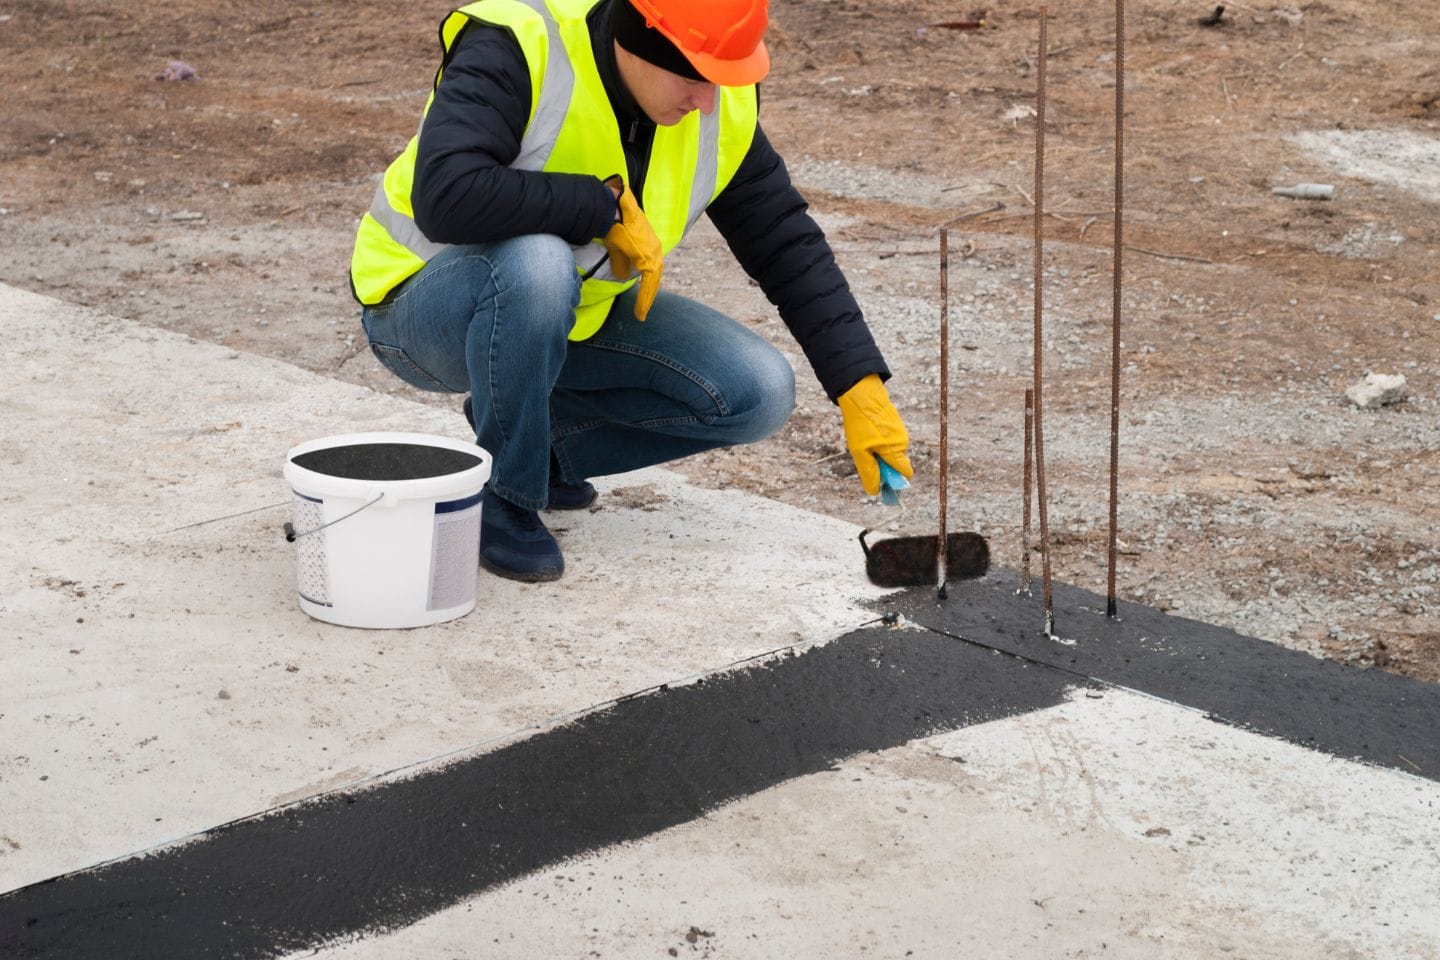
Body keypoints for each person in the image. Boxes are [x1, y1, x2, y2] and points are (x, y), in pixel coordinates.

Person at [350, 0, 914, 583]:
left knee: (757, 390)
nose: (708, 101)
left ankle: (540, 443)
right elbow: (448, 195)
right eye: (695, 75)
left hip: (562, 320)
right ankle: (504, 497)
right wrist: (598, 206)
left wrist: (857, 385)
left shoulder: (718, 101)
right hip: (421, 313)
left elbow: (784, 241)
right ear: (639, 40)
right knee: (539, 258)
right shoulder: (521, 41)